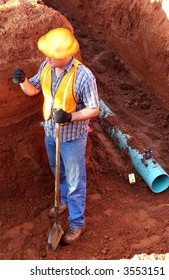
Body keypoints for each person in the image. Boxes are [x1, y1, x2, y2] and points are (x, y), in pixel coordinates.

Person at [12, 28, 100, 244]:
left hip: (72, 138)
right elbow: (33, 90)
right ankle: (63, 200)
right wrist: (23, 80)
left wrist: (70, 117)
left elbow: (94, 109)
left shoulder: (83, 76)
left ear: (66, 55)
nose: (48, 57)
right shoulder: (47, 66)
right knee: (56, 168)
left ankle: (77, 222)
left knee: (74, 179)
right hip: (51, 132)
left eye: (52, 54)